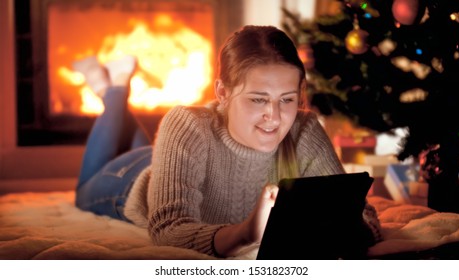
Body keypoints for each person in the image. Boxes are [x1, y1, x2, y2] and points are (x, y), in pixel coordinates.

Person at [74, 25, 382, 258]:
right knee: (82, 188)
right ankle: (113, 90)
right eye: (257, 99)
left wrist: (343, 228)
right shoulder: (186, 123)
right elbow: (168, 230)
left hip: (174, 158)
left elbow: (364, 216)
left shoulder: (304, 129)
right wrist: (244, 233)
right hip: (127, 182)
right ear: (222, 93)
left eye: (287, 99)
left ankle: (110, 88)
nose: (274, 117)